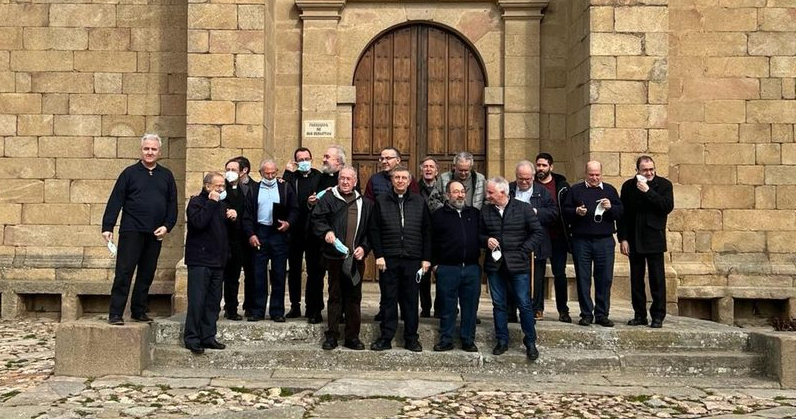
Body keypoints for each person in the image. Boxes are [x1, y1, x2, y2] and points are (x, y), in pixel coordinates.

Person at [102, 133, 177, 325]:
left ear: (159, 152)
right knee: (124, 272)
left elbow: (172, 204)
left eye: (153, 149)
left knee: (146, 273)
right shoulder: (129, 173)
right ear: (141, 150)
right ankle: (116, 313)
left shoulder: (167, 175)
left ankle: (138, 310)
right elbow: (115, 200)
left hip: (155, 233)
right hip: (132, 230)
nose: (150, 152)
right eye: (146, 148)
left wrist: (167, 226)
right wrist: (108, 226)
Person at [481, 176, 544, 361]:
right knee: (499, 304)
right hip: (495, 265)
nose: (487, 195)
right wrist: (486, 240)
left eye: (490, 192)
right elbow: (478, 234)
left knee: (524, 304)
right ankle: (502, 340)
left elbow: (537, 232)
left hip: (518, 264)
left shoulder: (523, 208)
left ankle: (530, 341)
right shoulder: (485, 210)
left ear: (502, 192)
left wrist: (524, 250)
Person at [369, 166, 431, 352]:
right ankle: (386, 337)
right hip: (389, 258)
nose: (400, 181)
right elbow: (374, 229)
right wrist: (379, 255)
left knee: (411, 300)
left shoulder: (419, 202)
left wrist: (426, 258)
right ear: (392, 180)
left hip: (413, 258)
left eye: (404, 178)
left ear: (409, 181)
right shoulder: (381, 201)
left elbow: (427, 231)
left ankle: (411, 338)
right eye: (397, 177)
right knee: (389, 298)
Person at [311, 166, 373, 350]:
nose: (345, 182)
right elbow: (317, 219)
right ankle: (332, 335)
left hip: (356, 258)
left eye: (348, 179)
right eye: (342, 178)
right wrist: (326, 232)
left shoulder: (366, 203)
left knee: (354, 297)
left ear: (355, 181)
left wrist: (364, 247)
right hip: (334, 257)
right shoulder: (328, 198)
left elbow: (371, 230)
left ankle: (352, 337)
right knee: (335, 295)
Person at [562, 161, 623, 327]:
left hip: (605, 240)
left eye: (597, 175)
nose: (594, 178)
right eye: (591, 175)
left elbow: (620, 213)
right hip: (581, 240)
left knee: (605, 278)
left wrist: (610, 207)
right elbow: (565, 212)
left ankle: (602, 314)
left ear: (601, 174)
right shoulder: (575, 190)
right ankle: (586, 314)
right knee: (583, 278)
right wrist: (576, 211)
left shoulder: (610, 190)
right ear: (585, 174)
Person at [618, 156, 674, 329]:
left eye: (651, 169)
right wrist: (623, 238)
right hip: (634, 238)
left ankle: (658, 316)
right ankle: (639, 315)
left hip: (654, 237)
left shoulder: (664, 185)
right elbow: (623, 215)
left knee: (657, 279)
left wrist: (648, 191)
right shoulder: (628, 186)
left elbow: (666, 206)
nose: (649, 173)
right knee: (636, 279)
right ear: (637, 171)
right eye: (645, 170)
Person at [242, 159, 299, 322]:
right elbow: (247, 215)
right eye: (266, 173)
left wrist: (288, 223)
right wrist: (251, 234)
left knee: (279, 273)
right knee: (258, 274)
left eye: (273, 173)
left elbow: (295, 210)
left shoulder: (285, 187)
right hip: (260, 232)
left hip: (279, 233)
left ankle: (277, 311)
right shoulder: (253, 190)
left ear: (277, 172)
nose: (270, 176)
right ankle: (258, 310)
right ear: (261, 173)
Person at [184, 172, 232, 354]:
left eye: (223, 186)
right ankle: (192, 338)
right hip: (200, 260)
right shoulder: (196, 202)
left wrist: (233, 217)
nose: (221, 189)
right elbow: (199, 223)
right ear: (207, 186)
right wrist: (211, 202)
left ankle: (208, 336)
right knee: (197, 301)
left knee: (213, 302)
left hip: (218, 261)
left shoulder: (222, 205)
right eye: (218, 186)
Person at [431, 181, 481, 352]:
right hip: (447, 268)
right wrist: (435, 265)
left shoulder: (474, 214)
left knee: (470, 307)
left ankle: (468, 340)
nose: (460, 195)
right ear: (447, 195)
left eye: (462, 191)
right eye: (455, 192)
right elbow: (430, 240)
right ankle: (446, 339)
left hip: (471, 268)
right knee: (447, 307)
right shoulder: (438, 215)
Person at [508, 160, 558, 321]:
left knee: (536, 278)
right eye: (520, 179)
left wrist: (536, 212)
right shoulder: (508, 189)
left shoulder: (542, 191)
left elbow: (553, 212)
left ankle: (536, 309)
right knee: (511, 276)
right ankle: (511, 310)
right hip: (513, 241)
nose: (524, 182)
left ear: (533, 177)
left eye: (527, 179)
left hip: (537, 242)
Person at [282, 147, 325, 323]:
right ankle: (295, 305)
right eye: (300, 160)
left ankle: (313, 306)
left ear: (312, 159)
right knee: (294, 270)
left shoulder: (319, 176)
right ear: (295, 162)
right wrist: (287, 172)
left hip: (313, 231)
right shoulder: (292, 177)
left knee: (315, 271)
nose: (304, 162)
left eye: (307, 158)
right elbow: (283, 193)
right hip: (295, 231)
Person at [534, 152, 573, 323]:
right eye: (538, 165)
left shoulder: (561, 185)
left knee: (559, 274)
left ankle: (563, 310)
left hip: (558, 237)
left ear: (551, 166)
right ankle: (537, 308)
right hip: (538, 237)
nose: (541, 168)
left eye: (544, 165)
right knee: (538, 274)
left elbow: (567, 208)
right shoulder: (531, 184)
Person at [221, 156, 254, 321]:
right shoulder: (221, 190)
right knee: (231, 276)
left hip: (244, 238)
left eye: (233, 170)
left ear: (242, 172)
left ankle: (250, 306)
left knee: (251, 273)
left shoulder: (248, 190)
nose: (230, 172)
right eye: (227, 170)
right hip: (227, 239)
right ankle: (231, 308)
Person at [417, 156, 444, 318]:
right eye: (425, 167)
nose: (428, 169)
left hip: (440, 237)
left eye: (431, 167)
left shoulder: (443, 187)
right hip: (421, 236)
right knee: (423, 275)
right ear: (421, 170)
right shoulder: (415, 188)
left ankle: (440, 307)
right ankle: (425, 307)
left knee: (442, 274)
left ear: (437, 171)